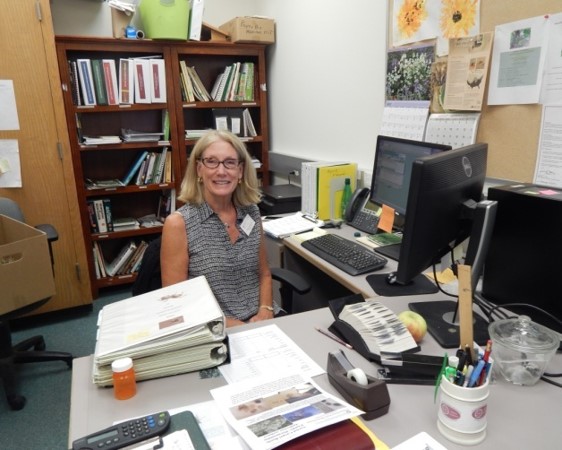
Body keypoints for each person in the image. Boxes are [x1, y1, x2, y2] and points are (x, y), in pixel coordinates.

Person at [161, 130, 279, 327]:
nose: (221, 171)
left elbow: (264, 273)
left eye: (230, 162)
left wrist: (266, 310)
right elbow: (176, 303)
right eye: (211, 161)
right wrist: (233, 325)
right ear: (199, 169)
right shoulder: (179, 224)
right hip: (211, 328)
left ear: (240, 171)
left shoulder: (252, 212)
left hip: (261, 322)